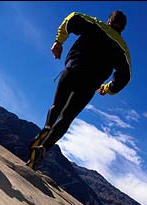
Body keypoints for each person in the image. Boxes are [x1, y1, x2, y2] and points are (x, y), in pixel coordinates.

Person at [26, 10, 131, 170]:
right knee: (66, 117)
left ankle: (46, 128)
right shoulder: (122, 49)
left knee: (56, 105)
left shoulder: (96, 24)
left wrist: (58, 42)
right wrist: (107, 88)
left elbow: (72, 18)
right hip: (89, 84)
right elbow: (124, 77)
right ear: (122, 28)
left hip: (72, 69)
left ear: (109, 20)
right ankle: (43, 149)